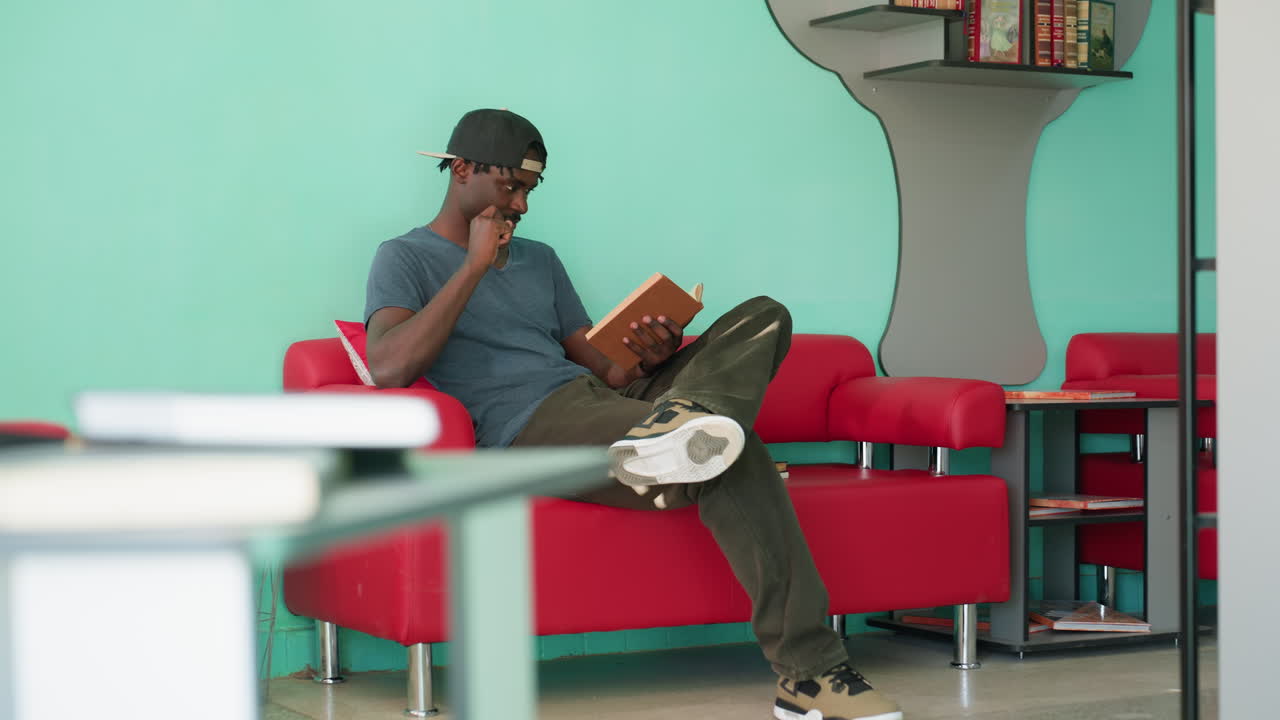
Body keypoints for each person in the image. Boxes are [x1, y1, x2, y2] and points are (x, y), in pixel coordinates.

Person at [363, 108, 903, 720]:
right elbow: (389, 367)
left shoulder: (542, 260)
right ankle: (812, 676)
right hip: (530, 427)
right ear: (461, 170)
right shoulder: (404, 258)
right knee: (734, 450)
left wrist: (650, 355)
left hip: (609, 406)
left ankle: (682, 428)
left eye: (528, 191)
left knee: (763, 316)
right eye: (509, 186)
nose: (521, 205)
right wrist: (473, 267)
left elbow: (604, 369)